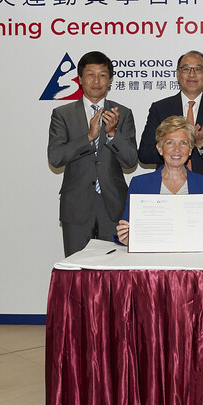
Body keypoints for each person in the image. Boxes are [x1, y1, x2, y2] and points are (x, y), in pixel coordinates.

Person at [48, 51, 137, 256]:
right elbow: (55, 157)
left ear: (110, 79)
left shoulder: (122, 113)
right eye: (90, 74)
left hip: (113, 206)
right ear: (80, 79)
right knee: (78, 273)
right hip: (77, 205)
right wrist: (88, 137)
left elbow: (131, 161)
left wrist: (113, 133)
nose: (96, 81)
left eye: (103, 75)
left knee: (113, 274)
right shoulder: (62, 114)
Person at [116, 116, 203, 246]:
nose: (177, 149)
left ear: (190, 150)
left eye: (183, 143)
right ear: (160, 148)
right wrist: (125, 238)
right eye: (170, 142)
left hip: (193, 260)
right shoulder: (139, 184)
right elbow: (127, 229)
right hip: (153, 260)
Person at [137, 50, 203, 193]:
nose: (192, 74)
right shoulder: (160, 108)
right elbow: (145, 154)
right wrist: (170, 147)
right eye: (186, 69)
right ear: (178, 74)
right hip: (166, 189)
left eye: (198, 69)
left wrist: (202, 145)